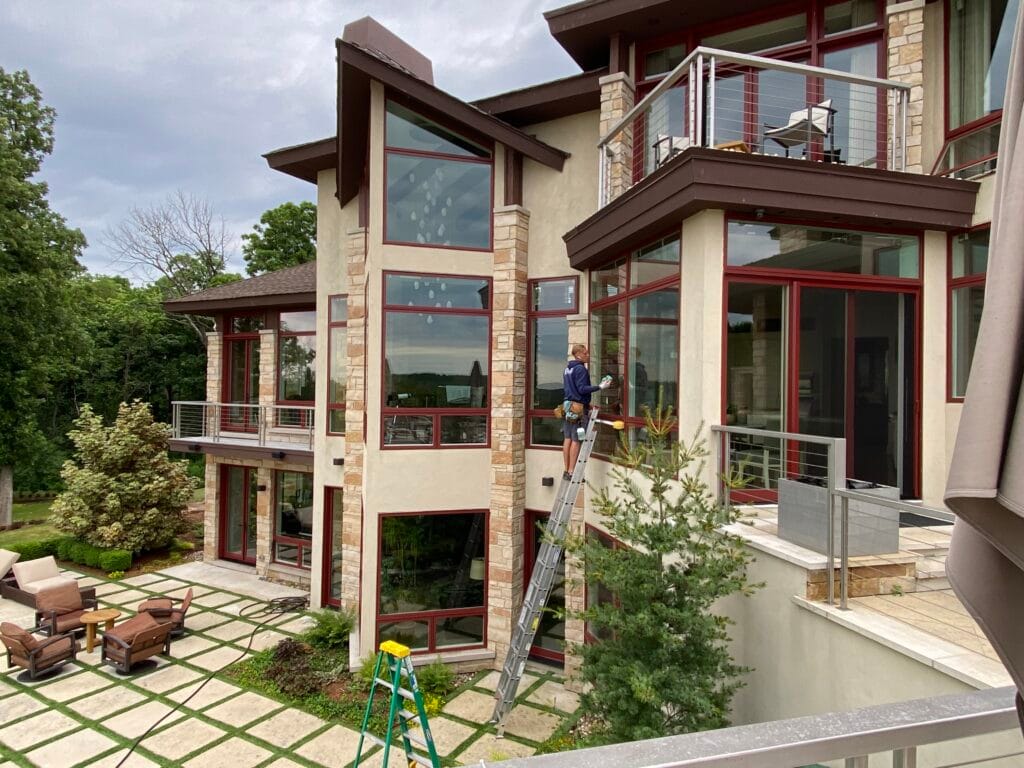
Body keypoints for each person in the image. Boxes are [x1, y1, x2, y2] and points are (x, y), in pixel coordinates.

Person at [562, 344, 610, 479]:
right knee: (576, 440)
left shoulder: (567, 369)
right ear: (578, 355)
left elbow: (572, 389)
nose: (588, 355)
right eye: (585, 353)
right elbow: (582, 389)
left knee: (568, 439)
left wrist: (587, 403)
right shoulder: (580, 369)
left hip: (568, 406)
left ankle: (566, 470)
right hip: (578, 409)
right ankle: (572, 472)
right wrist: (600, 386)